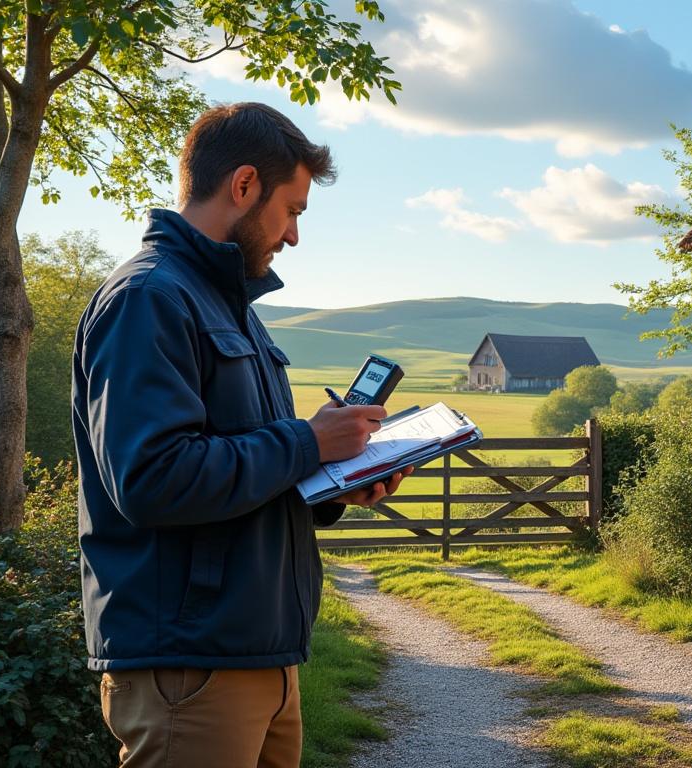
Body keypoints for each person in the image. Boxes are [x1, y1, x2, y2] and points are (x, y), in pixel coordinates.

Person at [72, 102, 408, 767]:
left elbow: (240, 475)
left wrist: (336, 484)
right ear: (245, 185)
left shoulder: (230, 308)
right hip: (191, 667)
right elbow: (152, 480)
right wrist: (310, 443)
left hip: (257, 657)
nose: (292, 237)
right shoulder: (149, 298)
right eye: (293, 211)